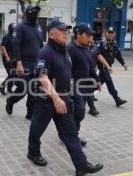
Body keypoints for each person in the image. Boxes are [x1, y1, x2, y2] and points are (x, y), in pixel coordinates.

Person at [27, 19, 103, 176]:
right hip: (47, 100)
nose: (66, 33)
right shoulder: (45, 52)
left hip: (65, 97)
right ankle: (33, 152)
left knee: (71, 133)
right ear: (52, 34)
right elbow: (42, 77)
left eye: (66, 30)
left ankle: (81, 165)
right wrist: (56, 98)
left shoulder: (65, 51)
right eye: (62, 31)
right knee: (37, 129)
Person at [67, 23, 102, 146]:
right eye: (87, 35)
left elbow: (91, 67)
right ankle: (70, 135)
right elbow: (67, 69)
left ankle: (70, 134)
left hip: (86, 86)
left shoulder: (86, 48)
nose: (90, 38)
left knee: (78, 113)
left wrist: (97, 80)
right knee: (79, 111)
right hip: (75, 85)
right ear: (78, 34)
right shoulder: (70, 48)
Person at [6, 5, 43, 120]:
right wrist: (19, 62)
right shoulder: (20, 27)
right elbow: (16, 45)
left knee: (34, 88)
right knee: (24, 88)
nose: (35, 14)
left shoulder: (38, 26)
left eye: (37, 12)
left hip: (36, 61)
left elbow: (40, 44)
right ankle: (11, 101)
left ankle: (30, 113)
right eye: (33, 12)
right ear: (27, 13)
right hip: (24, 61)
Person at [97, 27, 128, 107]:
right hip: (103, 66)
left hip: (109, 66)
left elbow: (118, 55)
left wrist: (123, 63)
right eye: (109, 32)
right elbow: (97, 55)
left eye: (112, 33)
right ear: (106, 33)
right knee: (109, 81)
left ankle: (88, 92)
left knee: (100, 81)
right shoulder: (102, 43)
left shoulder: (114, 43)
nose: (110, 34)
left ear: (114, 34)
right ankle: (116, 98)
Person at [86, 34, 112, 116]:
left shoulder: (94, 46)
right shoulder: (81, 47)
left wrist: (107, 66)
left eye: (92, 35)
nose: (91, 36)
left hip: (91, 72)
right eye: (89, 35)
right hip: (80, 73)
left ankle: (92, 108)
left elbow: (99, 56)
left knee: (89, 90)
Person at [0, 23, 15, 95]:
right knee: (12, 74)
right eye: (13, 27)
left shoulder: (14, 36)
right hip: (7, 58)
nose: (15, 28)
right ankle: (2, 86)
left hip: (13, 58)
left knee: (12, 74)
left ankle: (9, 89)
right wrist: (7, 56)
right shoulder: (6, 36)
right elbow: (2, 47)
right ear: (10, 28)